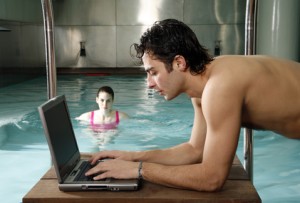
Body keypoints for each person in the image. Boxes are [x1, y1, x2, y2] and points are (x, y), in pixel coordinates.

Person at [85, 19, 300, 192]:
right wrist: (132, 157)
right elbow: (194, 151)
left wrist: (138, 170)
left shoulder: (219, 87)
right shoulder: (203, 87)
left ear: (179, 63)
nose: (149, 84)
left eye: (153, 72)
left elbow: (212, 179)